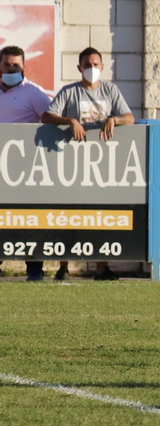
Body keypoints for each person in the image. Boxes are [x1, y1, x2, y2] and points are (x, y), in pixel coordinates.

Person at [42, 47, 134, 280]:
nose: (91, 68)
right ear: (79, 67)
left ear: (102, 67)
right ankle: (64, 267)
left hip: (102, 162)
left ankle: (101, 267)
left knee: (99, 214)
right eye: (87, 64)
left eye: (95, 64)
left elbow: (130, 118)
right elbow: (47, 116)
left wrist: (114, 119)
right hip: (71, 163)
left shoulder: (110, 90)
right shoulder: (70, 92)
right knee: (68, 213)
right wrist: (70, 120)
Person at [0, 45, 53, 281]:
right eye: (6, 64)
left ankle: (34, 269)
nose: (11, 68)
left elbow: (51, 118)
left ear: (24, 66)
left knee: (27, 217)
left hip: (24, 168)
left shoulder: (33, 92)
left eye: (15, 65)